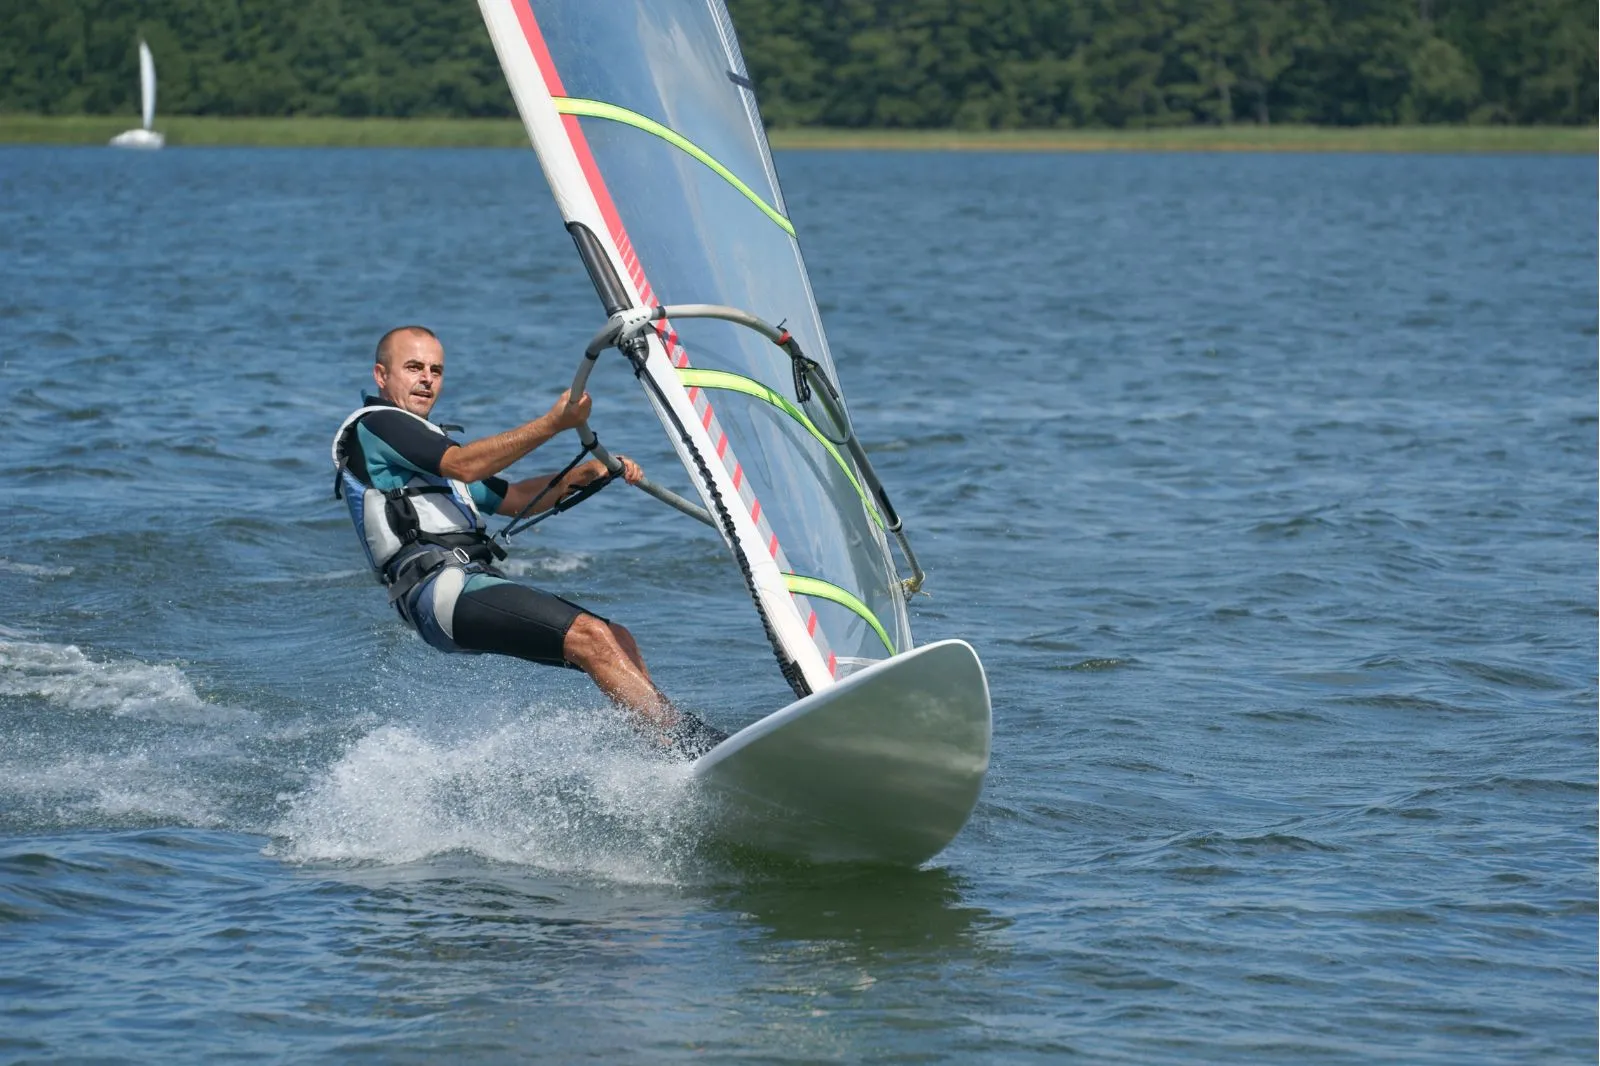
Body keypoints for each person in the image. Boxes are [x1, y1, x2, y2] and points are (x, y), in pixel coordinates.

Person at [331, 325, 725, 757]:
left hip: (468, 583)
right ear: (381, 376)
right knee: (589, 637)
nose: (427, 378)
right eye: (413, 367)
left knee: (617, 638)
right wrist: (555, 423)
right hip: (437, 592)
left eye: (436, 370)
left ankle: (667, 750)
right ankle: (691, 745)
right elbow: (464, 466)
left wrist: (581, 476)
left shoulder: (427, 450)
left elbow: (514, 498)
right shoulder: (379, 425)